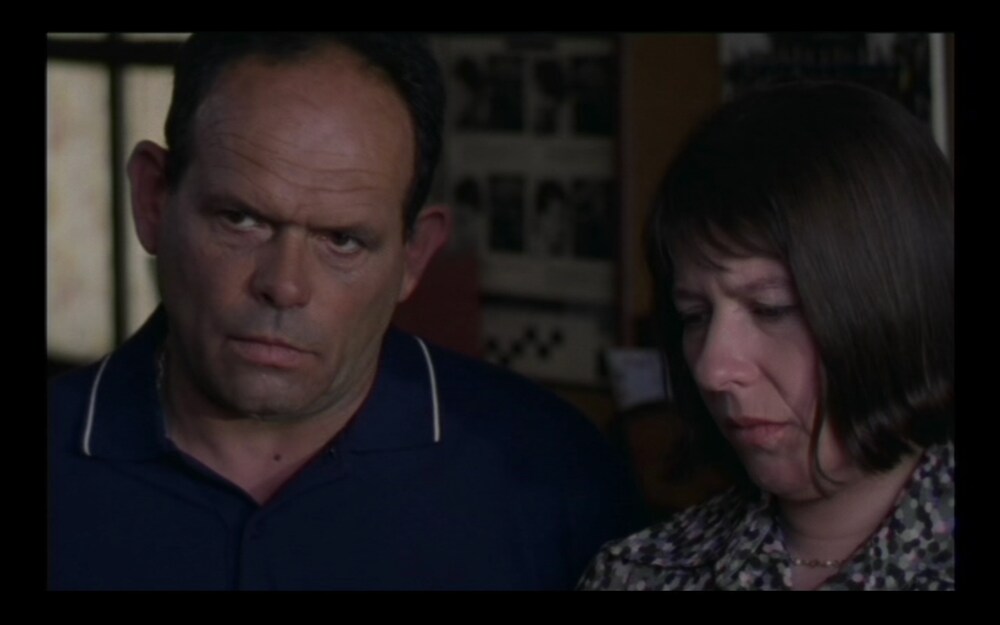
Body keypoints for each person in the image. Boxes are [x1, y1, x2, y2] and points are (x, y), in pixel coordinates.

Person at [49, 33, 639, 590]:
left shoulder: (551, 476)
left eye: (342, 240)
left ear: (414, 256)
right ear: (153, 200)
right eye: (240, 219)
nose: (284, 285)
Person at [578, 82, 954, 591]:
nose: (713, 369)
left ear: (897, 306)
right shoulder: (640, 574)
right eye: (694, 316)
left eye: (772, 308)